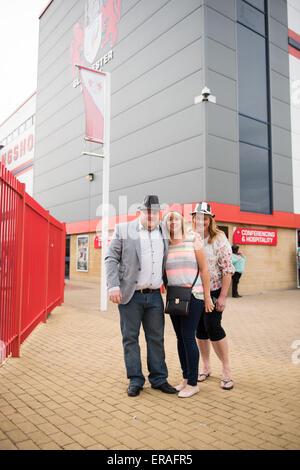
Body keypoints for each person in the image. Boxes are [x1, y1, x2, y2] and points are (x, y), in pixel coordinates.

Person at [105, 195, 176, 397]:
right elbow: (111, 258)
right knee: (130, 338)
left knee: (156, 338)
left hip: (155, 296)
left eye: (155, 212)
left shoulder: (164, 231)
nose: (152, 215)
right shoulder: (124, 230)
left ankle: (159, 378)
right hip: (131, 295)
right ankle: (135, 379)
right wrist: (113, 286)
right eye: (148, 212)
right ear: (141, 212)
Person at [163, 205, 214, 398]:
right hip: (174, 296)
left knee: (187, 336)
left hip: (194, 295)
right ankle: (185, 378)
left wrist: (208, 296)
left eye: (176, 218)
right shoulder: (166, 243)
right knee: (179, 338)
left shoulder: (194, 239)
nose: (173, 222)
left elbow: (204, 270)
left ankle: (193, 383)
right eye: (169, 219)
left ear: (182, 221)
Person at [192, 202, 235, 390]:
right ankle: (206, 366)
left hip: (215, 290)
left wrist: (223, 297)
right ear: (193, 219)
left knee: (213, 327)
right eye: (197, 217)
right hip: (196, 291)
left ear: (210, 220)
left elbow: (227, 270)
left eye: (204, 217)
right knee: (200, 330)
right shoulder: (191, 238)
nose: (201, 220)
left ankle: (226, 370)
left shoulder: (219, 239)